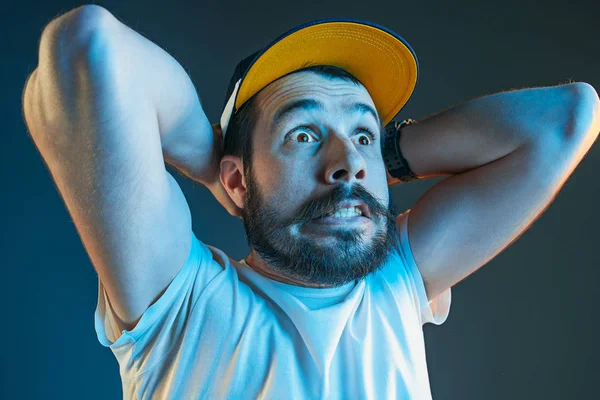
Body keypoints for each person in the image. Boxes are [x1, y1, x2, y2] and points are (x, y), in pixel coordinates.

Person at [22, 5, 599, 400]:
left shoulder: (394, 283)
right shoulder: (179, 305)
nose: (346, 161)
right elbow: (87, 45)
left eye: (363, 134)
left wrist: (378, 162)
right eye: (303, 136)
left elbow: (571, 117)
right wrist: (218, 172)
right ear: (239, 181)